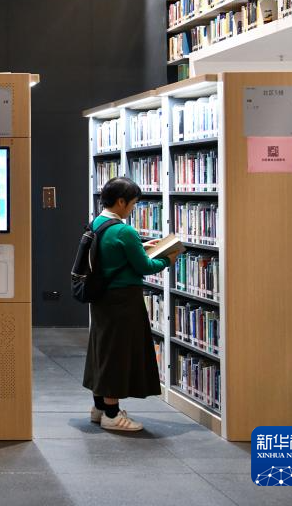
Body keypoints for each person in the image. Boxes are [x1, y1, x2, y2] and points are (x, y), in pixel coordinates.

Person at [83, 177, 182, 431]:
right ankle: (112, 415)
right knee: (118, 354)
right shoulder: (124, 231)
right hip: (123, 301)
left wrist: (141, 246)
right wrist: (168, 259)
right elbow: (145, 266)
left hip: (102, 299)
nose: (133, 208)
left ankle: (99, 407)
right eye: (133, 203)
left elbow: (114, 255)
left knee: (103, 350)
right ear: (121, 202)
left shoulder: (97, 223)